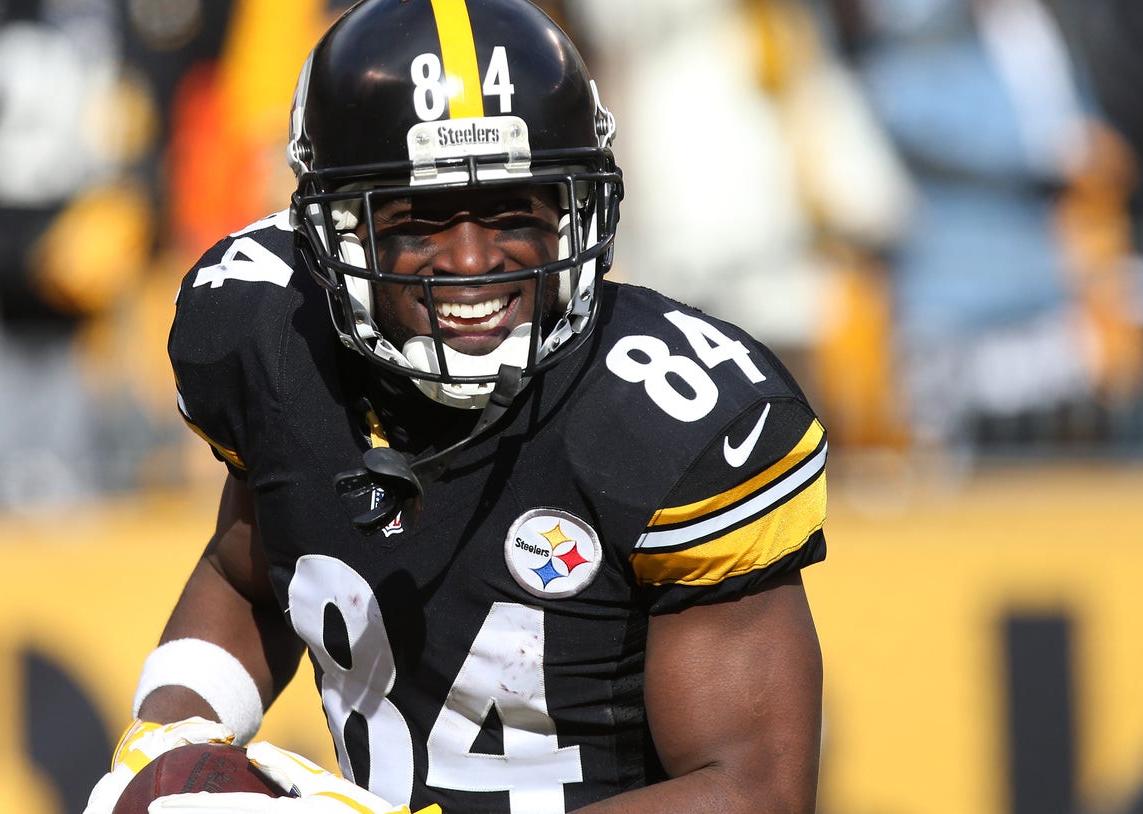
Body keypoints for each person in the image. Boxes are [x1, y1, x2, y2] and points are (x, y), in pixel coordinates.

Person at [86, 1, 827, 812]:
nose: (471, 264)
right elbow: (247, 573)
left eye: (514, 210)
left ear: (577, 211)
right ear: (336, 233)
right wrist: (171, 740)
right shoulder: (272, 336)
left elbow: (753, 793)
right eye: (419, 222)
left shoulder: (672, 417)